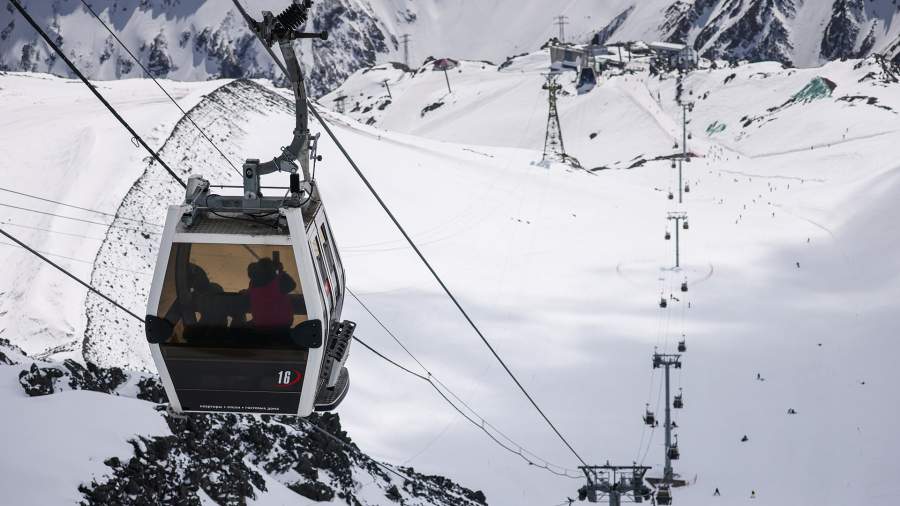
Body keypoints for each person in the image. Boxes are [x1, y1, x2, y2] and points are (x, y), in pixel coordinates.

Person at [247, 256, 297, 330]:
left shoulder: (253, 284)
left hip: (261, 324)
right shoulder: (279, 281)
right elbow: (292, 285)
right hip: (282, 324)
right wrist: (280, 270)